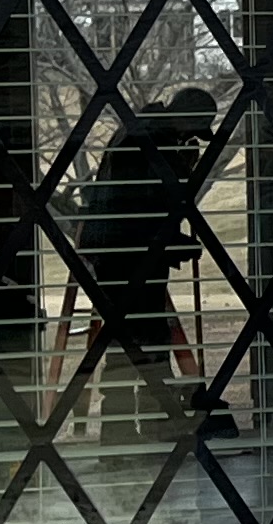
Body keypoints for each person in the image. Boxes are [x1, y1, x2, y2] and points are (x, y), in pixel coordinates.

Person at [79, 87, 215, 412]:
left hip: (120, 249)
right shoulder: (152, 139)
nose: (189, 138)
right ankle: (140, 423)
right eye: (192, 132)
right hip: (128, 254)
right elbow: (143, 204)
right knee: (139, 338)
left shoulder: (138, 129)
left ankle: (139, 423)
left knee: (134, 337)